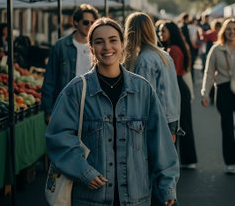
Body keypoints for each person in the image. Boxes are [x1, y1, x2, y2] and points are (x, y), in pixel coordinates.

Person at [45, 18, 179, 206]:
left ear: (123, 44)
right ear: (91, 48)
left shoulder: (143, 90)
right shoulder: (76, 90)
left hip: (136, 198)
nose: (107, 47)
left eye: (113, 40)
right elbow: (58, 136)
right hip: (90, 198)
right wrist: (84, 171)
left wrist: (167, 187)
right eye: (99, 42)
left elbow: (160, 142)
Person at [201, 18, 235, 177]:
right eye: (229, 29)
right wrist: (205, 93)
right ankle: (230, 162)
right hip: (223, 90)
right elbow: (209, 72)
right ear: (223, 31)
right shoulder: (216, 49)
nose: (232, 32)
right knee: (226, 128)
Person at [124, 12, 181, 142]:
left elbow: (144, 98)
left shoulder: (144, 60)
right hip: (171, 118)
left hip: (156, 121)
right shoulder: (164, 55)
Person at [41, 4, 99, 124]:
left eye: (93, 23)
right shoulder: (61, 46)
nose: (89, 26)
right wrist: (48, 111)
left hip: (91, 107)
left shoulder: (97, 47)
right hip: (66, 106)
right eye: (86, 22)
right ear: (76, 22)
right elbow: (49, 80)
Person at [159, 21, 198, 169]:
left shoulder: (173, 49)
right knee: (182, 123)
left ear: (172, 32)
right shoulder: (173, 47)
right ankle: (187, 160)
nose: (160, 34)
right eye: (160, 31)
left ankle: (187, 160)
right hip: (179, 86)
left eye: (163, 31)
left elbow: (171, 72)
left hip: (177, 86)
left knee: (181, 124)